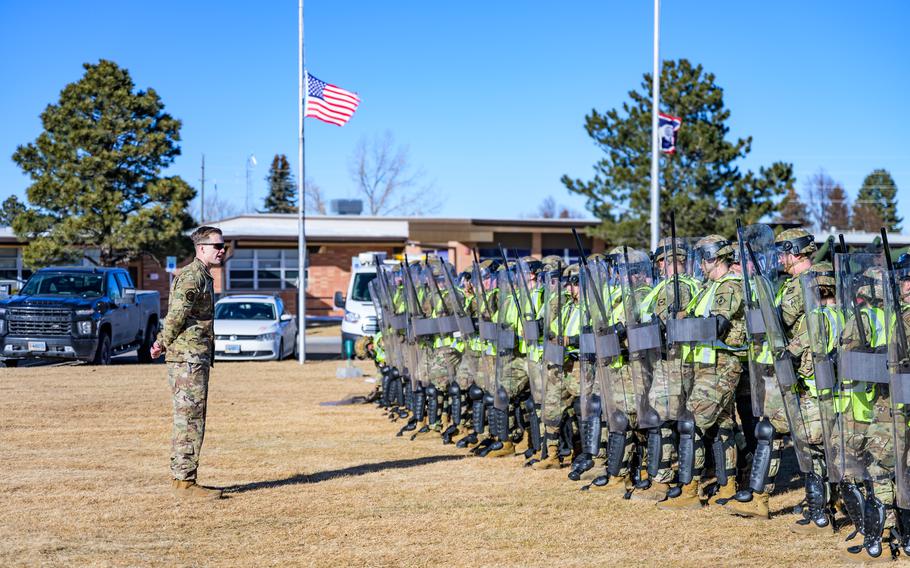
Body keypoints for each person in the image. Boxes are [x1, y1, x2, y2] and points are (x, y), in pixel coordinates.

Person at [150, 226, 226, 499]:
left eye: (223, 246)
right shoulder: (192, 277)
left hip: (196, 356)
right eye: (217, 246)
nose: (222, 250)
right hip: (187, 359)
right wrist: (161, 342)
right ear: (201, 248)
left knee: (193, 417)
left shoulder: (204, 276)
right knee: (189, 419)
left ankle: (184, 479)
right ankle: (184, 482)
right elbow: (175, 316)